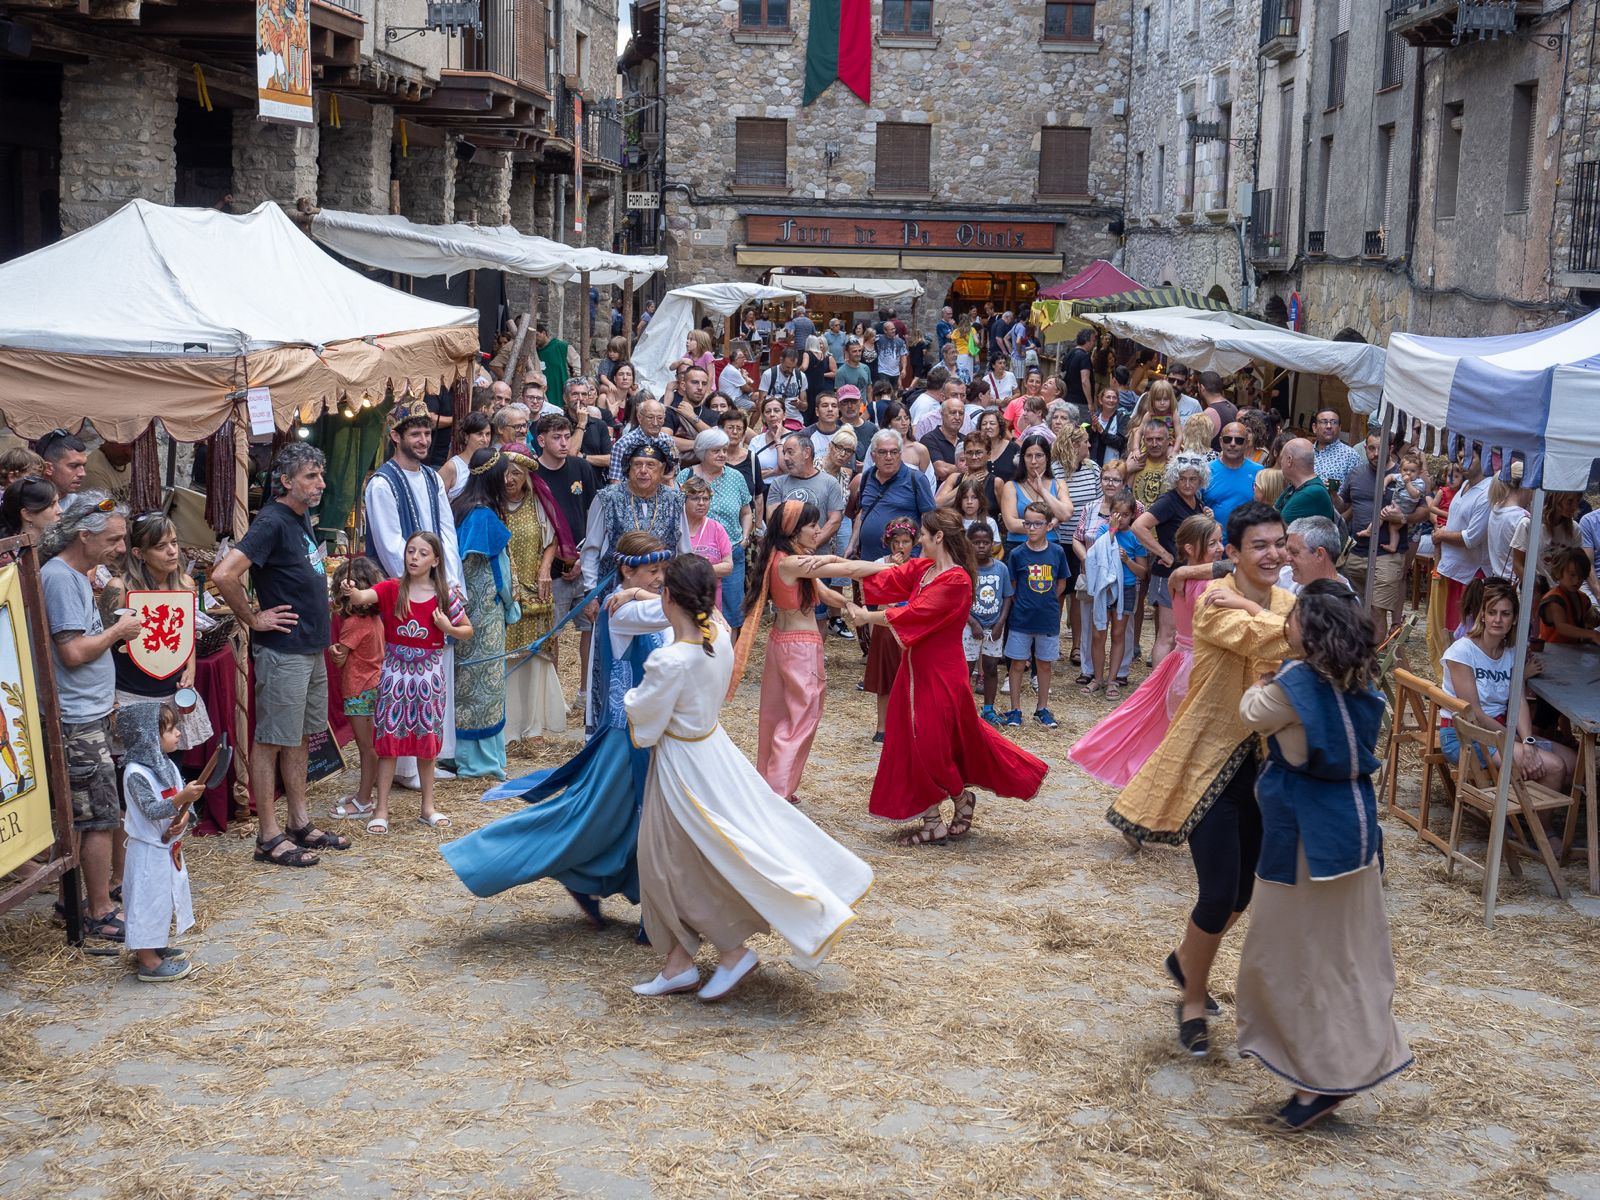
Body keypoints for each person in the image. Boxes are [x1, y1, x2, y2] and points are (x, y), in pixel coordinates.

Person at [627, 554, 874, 1000]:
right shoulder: (719, 634)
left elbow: (644, 719)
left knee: (663, 862)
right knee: (703, 854)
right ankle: (681, 963)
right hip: (712, 755)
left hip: (682, 770)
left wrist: (630, 698)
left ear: (669, 598)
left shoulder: (670, 661)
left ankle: (725, 952)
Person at [1108, 502, 1294, 1058]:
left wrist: (1283, 622)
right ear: (1232, 553)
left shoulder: (1285, 601)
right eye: (1258, 545)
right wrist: (1279, 623)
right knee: (1216, 892)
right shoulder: (1215, 601)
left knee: (1245, 890)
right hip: (1212, 762)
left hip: (1268, 768)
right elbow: (1287, 643)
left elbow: (1310, 640)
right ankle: (1192, 998)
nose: (1272, 554)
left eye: (1278, 543)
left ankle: (1185, 958)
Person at [1235, 580, 1413, 1129]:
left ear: (1309, 634)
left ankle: (1322, 1080)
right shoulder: (1362, 682)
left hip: (1309, 838)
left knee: (1294, 960)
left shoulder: (1292, 685)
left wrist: (1267, 674)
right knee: (1351, 958)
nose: (1285, 620)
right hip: (1354, 830)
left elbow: (1249, 711)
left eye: (1293, 618)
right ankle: (1336, 1067)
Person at [442, 533, 674, 930]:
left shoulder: (636, 601)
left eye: (663, 571)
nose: (659, 579)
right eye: (652, 571)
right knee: (585, 815)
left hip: (648, 737)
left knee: (634, 821)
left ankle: (606, 888)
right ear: (626, 570)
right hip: (626, 739)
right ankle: (484, 854)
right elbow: (680, 611)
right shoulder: (621, 610)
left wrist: (644, 595)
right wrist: (643, 598)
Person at [841, 509, 1049, 845]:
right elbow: (887, 578)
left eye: (923, 534)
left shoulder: (957, 581)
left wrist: (866, 616)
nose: (919, 539)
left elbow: (916, 612)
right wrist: (827, 567)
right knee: (908, 742)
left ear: (939, 537)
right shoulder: (925, 570)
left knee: (932, 745)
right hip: (913, 671)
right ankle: (932, 819)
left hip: (942, 674)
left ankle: (960, 796)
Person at [212, 446, 351, 867]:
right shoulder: (271, 520)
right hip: (283, 651)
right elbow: (223, 574)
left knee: (301, 737)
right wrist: (253, 618)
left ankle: (298, 822)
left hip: (307, 647)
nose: (321, 484)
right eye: (311, 476)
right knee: (272, 738)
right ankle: (268, 836)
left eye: (321, 474)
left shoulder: (299, 515)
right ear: (287, 481)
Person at [41, 491, 143, 938]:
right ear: (83, 535)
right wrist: (119, 629)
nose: (120, 548)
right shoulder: (61, 578)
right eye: (114, 539)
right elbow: (73, 651)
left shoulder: (77, 574)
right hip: (76, 716)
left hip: (89, 708)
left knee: (92, 810)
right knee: (98, 815)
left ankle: (73, 900)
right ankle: (100, 910)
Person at [1071, 514, 1224, 785]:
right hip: (1198, 665)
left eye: (1220, 542)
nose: (1221, 548)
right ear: (1190, 548)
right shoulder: (1207, 586)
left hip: (1180, 660)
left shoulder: (1179, 579)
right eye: (1213, 543)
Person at [340, 531, 471, 833]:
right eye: (411, 551)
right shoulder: (391, 588)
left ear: (436, 560)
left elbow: (467, 630)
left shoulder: (445, 595)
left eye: (423, 553)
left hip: (428, 677)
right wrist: (352, 591)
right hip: (395, 676)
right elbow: (363, 597)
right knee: (389, 743)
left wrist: (446, 626)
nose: (414, 557)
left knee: (427, 744)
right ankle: (381, 808)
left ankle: (428, 807)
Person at [363, 397, 464, 784]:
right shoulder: (382, 483)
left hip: (437, 585)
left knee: (435, 674)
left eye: (426, 433)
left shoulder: (434, 478)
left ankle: (428, 755)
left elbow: (446, 534)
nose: (423, 440)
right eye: (415, 433)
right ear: (395, 436)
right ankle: (403, 768)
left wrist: (450, 583)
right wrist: (418, 587)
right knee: (401, 678)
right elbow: (390, 544)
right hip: (403, 593)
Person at [734, 500, 855, 805]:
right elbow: (847, 567)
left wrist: (852, 606)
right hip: (801, 646)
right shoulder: (790, 562)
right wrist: (889, 567)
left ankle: (770, 784)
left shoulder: (782, 557)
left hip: (781, 641)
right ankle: (777, 792)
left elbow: (824, 593)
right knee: (801, 719)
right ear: (792, 530)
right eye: (812, 525)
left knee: (775, 716)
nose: (818, 531)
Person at [580, 439, 692, 703]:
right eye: (637, 465)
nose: (643, 471)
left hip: (661, 590)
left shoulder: (675, 500)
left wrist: (683, 590)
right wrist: (590, 592)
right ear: (628, 469)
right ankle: (608, 716)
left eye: (651, 465)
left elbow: (684, 548)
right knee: (611, 655)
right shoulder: (607, 498)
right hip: (614, 591)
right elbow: (592, 548)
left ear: (662, 469)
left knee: (660, 648)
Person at [1440, 577, 1576, 791]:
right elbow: (1474, 713)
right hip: (1466, 735)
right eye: (1492, 612)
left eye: (1505, 614)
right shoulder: (1462, 652)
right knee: (1556, 767)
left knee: (1573, 764)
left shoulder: (1511, 652)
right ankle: (1539, 825)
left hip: (1502, 729)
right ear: (1482, 615)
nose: (1497, 620)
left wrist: (1528, 741)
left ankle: (1520, 813)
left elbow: (1519, 700)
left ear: (1514, 619)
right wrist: (1517, 742)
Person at [106, 512, 211, 751]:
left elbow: (185, 632)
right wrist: (109, 699)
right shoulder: (119, 588)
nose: (172, 551)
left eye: (174, 543)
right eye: (161, 546)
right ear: (139, 554)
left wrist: (191, 667)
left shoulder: (185, 584)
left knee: (174, 771)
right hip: (130, 692)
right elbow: (102, 644)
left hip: (172, 692)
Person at [116, 702, 203, 982]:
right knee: (147, 901)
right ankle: (148, 961)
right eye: (170, 729)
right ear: (149, 737)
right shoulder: (135, 774)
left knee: (163, 901)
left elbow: (181, 805)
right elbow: (152, 809)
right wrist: (182, 799)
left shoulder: (167, 766)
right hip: (147, 852)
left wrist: (185, 816)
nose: (178, 733)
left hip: (167, 849)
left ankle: (154, 944)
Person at [449, 448, 518, 780]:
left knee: (462, 681)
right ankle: (482, 762)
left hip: (460, 612)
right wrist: (510, 603)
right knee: (486, 686)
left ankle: (455, 753)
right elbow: (500, 573)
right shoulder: (486, 517)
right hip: (486, 613)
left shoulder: (459, 509)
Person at [533, 412, 602, 700]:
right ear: (541, 440)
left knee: (591, 628)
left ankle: (585, 692)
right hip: (550, 568)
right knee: (552, 632)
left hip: (584, 562)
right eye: (556, 437)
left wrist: (585, 559)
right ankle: (554, 695)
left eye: (566, 436)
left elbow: (593, 513)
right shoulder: (532, 474)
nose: (564, 443)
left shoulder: (580, 467)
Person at [500, 444, 566, 744]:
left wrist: (544, 569)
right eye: (505, 472)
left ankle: (534, 726)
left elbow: (551, 540)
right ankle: (509, 724)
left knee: (536, 656)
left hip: (536, 588)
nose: (509, 479)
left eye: (516, 473)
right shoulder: (493, 505)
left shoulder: (536, 502)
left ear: (526, 475)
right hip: (506, 592)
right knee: (507, 658)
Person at [1132, 453, 1209, 669]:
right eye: (1182, 478)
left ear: (1200, 480)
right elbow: (1138, 526)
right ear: (1175, 478)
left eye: (1192, 479)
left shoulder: (1197, 502)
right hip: (1167, 573)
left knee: (1179, 634)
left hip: (1187, 574)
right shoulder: (1169, 500)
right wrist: (1163, 553)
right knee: (1167, 633)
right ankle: (1157, 685)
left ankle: (1170, 680)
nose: (1187, 483)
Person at [1001, 501, 1068, 729]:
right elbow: (1012, 586)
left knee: (1044, 664)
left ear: (1048, 526)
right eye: (1027, 522)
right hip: (1021, 619)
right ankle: (1015, 709)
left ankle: (1042, 708)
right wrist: (1025, 603)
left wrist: (1046, 600)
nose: (1031, 528)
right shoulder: (1018, 554)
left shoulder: (1057, 552)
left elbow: (1060, 583)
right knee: (1017, 663)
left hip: (1047, 618)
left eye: (1037, 523)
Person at [1076, 489, 1146, 702]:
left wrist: (1127, 561)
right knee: (1099, 633)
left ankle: (1113, 678)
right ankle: (1097, 677)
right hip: (1104, 589)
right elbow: (1094, 557)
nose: (1121, 518)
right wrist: (1112, 532)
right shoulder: (1104, 532)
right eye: (1116, 513)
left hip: (1126, 588)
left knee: (1118, 633)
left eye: (1125, 515)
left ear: (1133, 515)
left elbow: (1143, 572)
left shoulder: (1136, 537)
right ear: (1110, 514)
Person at [328, 556, 384, 820]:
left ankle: (363, 801)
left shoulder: (353, 624)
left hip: (359, 689)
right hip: (372, 686)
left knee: (366, 747)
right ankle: (364, 794)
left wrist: (335, 651)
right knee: (369, 745)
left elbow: (340, 656)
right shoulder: (374, 621)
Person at [1428, 443, 1490, 670]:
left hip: (1470, 573)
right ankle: (1448, 682)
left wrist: (1442, 535)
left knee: (1464, 634)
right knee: (1449, 631)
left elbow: (1472, 537)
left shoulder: (1486, 491)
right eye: (1460, 457)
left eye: (1469, 458)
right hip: (1452, 567)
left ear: (1483, 459)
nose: (1463, 463)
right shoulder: (1464, 484)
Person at [863, 517, 918, 741]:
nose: (900, 546)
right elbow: (876, 598)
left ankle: (908, 725)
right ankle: (882, 727)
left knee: (910, 682)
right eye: (896, 541)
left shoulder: (919, 565)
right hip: (886, 627)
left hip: (910, 629)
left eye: (906, 541)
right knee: (885, 682)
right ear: (889, 542)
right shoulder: (879, 563)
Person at [850, 429, 936, 560]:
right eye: (883, 452)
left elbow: (930, 521)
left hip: (903, 563)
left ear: (900, 454)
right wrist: (852, 545)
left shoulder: (916, 479)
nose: (889, 457)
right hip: (868, 560)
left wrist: (921, 559)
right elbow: (863, 512)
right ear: (873, 456)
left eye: (894, 452)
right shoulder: (867, 476)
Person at [966, 522, 1013, 726]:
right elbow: (959, 600)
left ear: (993, 543)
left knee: (991, 667)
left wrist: (1000, 623)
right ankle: (964, 709)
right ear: (969, 544)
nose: (982, 546)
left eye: (986, 542)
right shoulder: (965, 569)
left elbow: (1007, 597)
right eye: (977, 542)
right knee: (965, 669)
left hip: (994, 626)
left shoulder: (1001, 568)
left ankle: (988, 709)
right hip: (969, 627)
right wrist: (973, 622)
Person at [1202, 422, 1262, 540]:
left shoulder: (1259, 472)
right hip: (1214, 547)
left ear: (1246, 443)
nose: (1233, 444)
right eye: (1227, 439)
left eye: (1239, 440)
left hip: (1247, 546)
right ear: (1220, 441)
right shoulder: (1206, 471)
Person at [682, 475, 732, 610]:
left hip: (711, 602)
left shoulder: (717, 529)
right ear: (684, 500)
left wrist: (700, 569)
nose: (701, 503)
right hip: (681, 598)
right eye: (695, 498)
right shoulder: (676, 528)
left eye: (706, 498)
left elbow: (728, 566)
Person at [1539, 547, 1600, 646]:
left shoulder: (1583, 598)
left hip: (1575, 654)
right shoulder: (1553, 599)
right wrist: (1592, 634)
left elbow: (1592, 620)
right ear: (1559, 571)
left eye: (1581, 576)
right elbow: (1562, 627)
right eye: (1572, 575)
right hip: (1551, 655)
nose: (1576, 581)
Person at [1274, 438, 1338, 525]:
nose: (1281, 463)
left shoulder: (1310, 493)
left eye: (1282, 458)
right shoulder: (1295, 486)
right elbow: (1272, 514)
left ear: (1289, 460)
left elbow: (1275, 528)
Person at [1281, 515, 1350, 594]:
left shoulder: (1342, 603)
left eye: (1294, 552)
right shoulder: (1288, 574)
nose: (1287, 558)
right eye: (1287, 550)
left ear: (1319, 554)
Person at [0, 475, 59, 561]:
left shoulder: (58, 546)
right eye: (51, 505)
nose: (60, 510)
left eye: (58, 502)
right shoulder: (9, 559)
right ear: (27, 514)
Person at [440, 411, 495, 500]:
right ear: (466, 436)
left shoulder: (493, 463)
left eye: (488, 434)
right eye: (479, 434)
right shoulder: (452, 467)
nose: (485, 440)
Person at [1311, 410, 1362, 487]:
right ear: (1314, 427)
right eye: (1324, 422)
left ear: (1340, 428)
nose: (1329, 426)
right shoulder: (1306, 452)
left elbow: (1356, 490)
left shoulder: (1350, 456)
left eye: (1334, 422)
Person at [760, 346, 808, 424]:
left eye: (793, 368)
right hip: (773, 420)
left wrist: (799, 404)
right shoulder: (769, 374)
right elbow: (761, 401)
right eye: (787, 367)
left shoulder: (801, 376)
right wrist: (765, 420)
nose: (790, 371)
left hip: (794, 420)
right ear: (781, 360)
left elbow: (805, 407)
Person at [35, 428, 89, 496]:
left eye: (83, 465)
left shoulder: (89, 505)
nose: (82, 473)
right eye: (73, 466)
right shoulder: (23, 503)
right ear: (48, 468)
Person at [80, 439, 134, 504]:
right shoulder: (93, 470)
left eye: (132, 446)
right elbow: (104, 511)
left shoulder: (126, 460)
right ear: (108, 440)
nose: (128, 452)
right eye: (123, 446)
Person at [534, 322, 571, 412]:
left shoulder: (561, 346)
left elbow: (577, 364)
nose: (535, 339)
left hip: (560, 389)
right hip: (545, 392)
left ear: (544, 333)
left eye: (537, 335)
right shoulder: (534, 352)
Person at [1062, 327, 1094, 409]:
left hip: (1067, 398)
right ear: (1087, 341)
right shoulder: (1084, 356)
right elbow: (1085, 380)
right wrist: (1090, 402)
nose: (1094, 344)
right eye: (1093, 341)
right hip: (1080, 401)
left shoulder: (1068, 355)